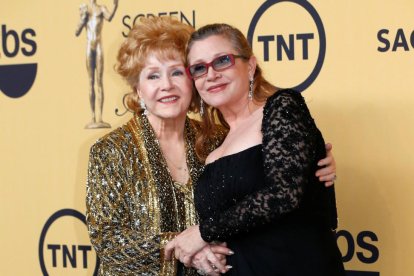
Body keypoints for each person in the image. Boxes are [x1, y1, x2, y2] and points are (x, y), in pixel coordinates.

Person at [86, 17, 338, 275]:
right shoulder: (112, 150)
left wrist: (315, 166)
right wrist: (183, 248)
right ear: (137, 89)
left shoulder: (215, 138)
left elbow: (275, 186)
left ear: (191, 83)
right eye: (152, 76)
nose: (167, 85)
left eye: (177, 72)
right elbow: (108, 240)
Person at [165, 23, 345, 275]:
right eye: (199, 68)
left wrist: (204, 233)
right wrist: (204, 250)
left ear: (249, 66)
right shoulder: (215, 145)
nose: (211, 74)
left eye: (222, 61)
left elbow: (284, 194)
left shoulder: (282, 108)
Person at [76, 0, 118, 129]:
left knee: (99, 81)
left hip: (99, 46)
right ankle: (93, 117)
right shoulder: (85, 10)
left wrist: (116, 6)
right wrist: (83, 18)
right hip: (90, 47)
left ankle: (100, 118)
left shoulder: (102, 9)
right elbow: (77, 31)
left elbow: (110, 17)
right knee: (91, 82)